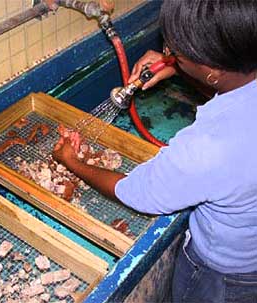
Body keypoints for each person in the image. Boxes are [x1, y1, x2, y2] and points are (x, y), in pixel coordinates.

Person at [53, 0, 257, 302]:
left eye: (175, 51)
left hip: (222, 276)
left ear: (212, 71)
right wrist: (177, 67)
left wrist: (71, 161)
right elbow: (232, 88)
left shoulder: (210, 147)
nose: (167, 54)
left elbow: (135, 192)